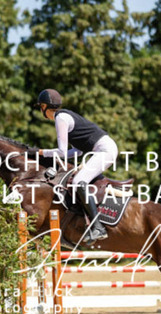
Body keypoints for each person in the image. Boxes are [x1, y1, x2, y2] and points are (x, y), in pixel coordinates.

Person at [34, 88, 119, 244]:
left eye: (41, 107)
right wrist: (44, 154)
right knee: (78, 180)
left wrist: (40, 152)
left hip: (105, 151)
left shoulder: (60, 118)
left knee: (79, 181)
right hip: (104, 149)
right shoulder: (66, 116)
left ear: (44, 107)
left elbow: (61, 151)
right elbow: (76, 152)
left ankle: (97, 227)